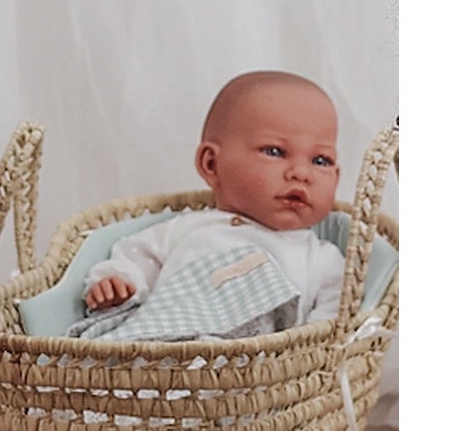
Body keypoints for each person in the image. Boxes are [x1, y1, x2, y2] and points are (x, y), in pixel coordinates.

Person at [83, 70, 344, 328]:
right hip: (170, 355)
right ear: (211, 164)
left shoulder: (320, 259)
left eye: (321, 160)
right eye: (275, 152)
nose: (301, 173)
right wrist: (116, 283)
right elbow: (134, 259)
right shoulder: (188, 229)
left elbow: (335, 319)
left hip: (259, 365)